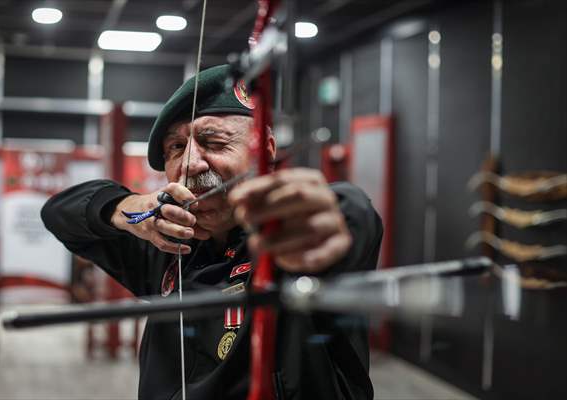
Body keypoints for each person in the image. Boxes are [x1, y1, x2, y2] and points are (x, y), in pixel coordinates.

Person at [41, 64, 383, 400]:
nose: (190, 163)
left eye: (214, 141)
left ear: (266, 150)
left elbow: (351, 213)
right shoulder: (168, 243)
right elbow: (58, 213)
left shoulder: (289, 241)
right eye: (175, 148)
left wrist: (327, 216)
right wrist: (128, 210)